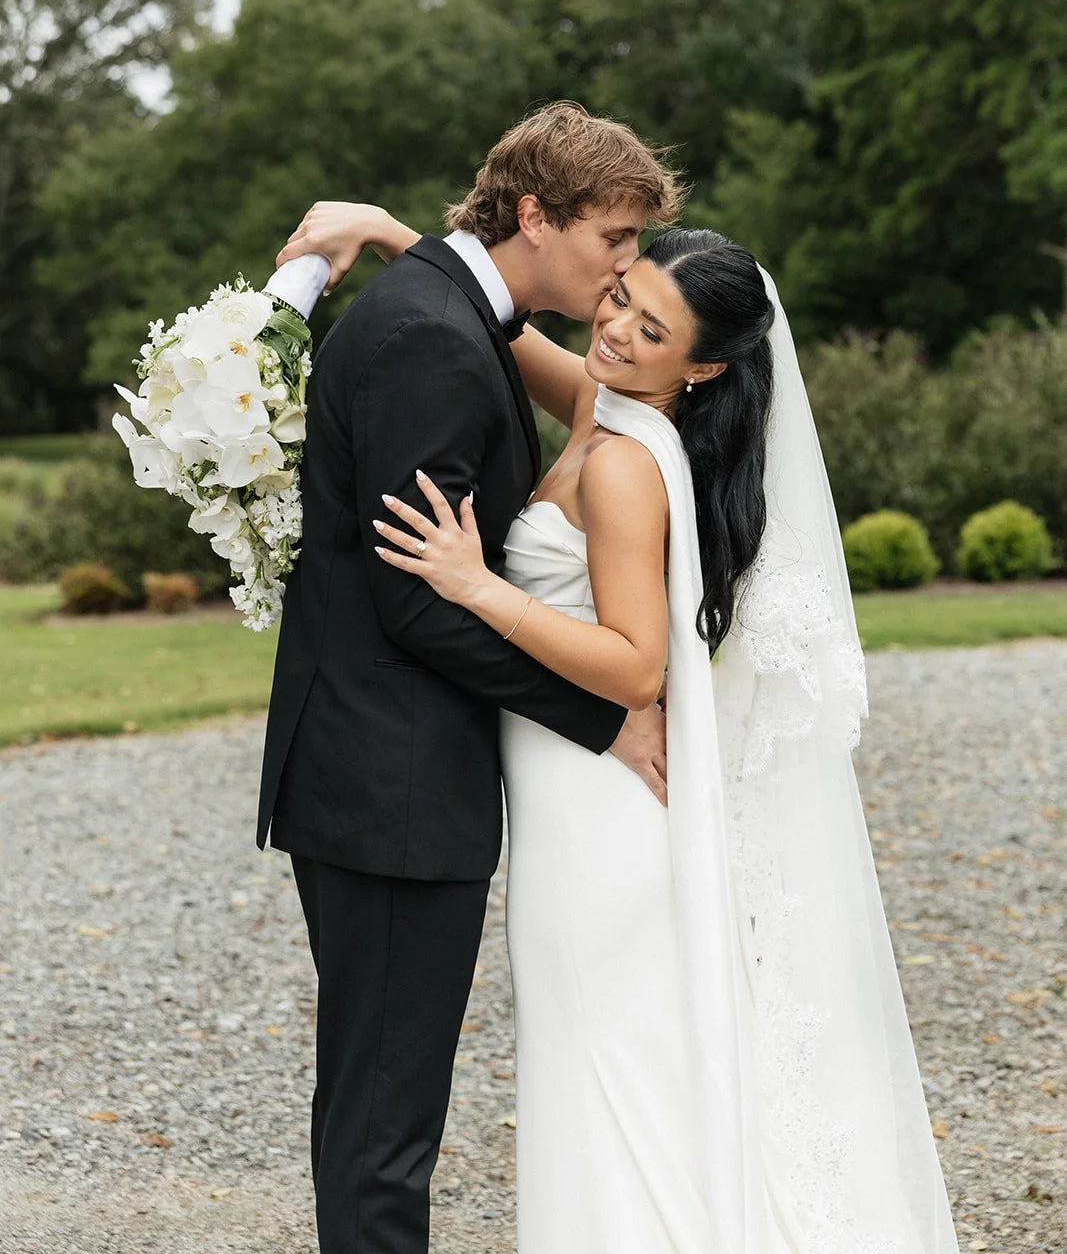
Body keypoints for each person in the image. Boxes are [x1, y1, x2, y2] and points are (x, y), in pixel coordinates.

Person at [283, 203, 961, 1253]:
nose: (614, 332)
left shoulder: (623, 463)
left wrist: (477, 586)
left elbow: (635, 663)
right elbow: (498, 322)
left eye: (651, 331)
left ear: (701, 371)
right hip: (570, 802)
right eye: (622, 298)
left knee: (601, 1062)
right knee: (605, 1058)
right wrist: (388, 234)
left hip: (596, 811)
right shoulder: (611, 399)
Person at [257, 101, 683, 1254]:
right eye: (613, 240)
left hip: (380, 772)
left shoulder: (450, 312)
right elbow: (414, 604)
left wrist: (396, 233)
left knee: (382, 1106)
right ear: (537, 217)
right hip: (385, 783)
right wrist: (604, 720)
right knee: (387, 1124)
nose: (624, 269)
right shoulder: (430, 339)